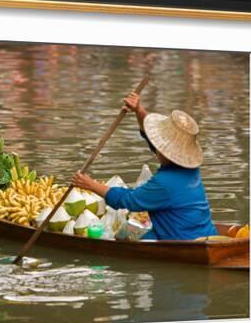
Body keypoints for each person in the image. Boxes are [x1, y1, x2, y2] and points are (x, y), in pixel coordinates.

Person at [71, 92, 217, 240]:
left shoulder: (164, 182)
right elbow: (153, 139)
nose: (156, 146)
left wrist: (90, 185)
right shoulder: (191, 170)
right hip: (206, 233)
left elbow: (128, 200)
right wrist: (139, 110)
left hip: (179, 239)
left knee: (123, 237)